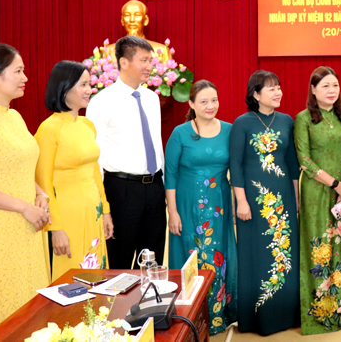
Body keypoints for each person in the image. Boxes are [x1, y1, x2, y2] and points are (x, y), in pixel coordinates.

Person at [0, 43, 50, 339]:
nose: (25, 77)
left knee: (29, 305)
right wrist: (24, 207)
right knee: (4, 311)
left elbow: (20, 166)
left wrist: (40, 194)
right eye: (18, 71)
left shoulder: (14, 117)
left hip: (26, 227)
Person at [229, 70, 300, 335]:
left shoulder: (286, 121)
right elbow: (235, 165)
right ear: (256, 94)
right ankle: (256, 318)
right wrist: (241, 202)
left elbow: (292, 164)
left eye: (279, 87)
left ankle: (285, 314)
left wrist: (295, 199)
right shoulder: (242, 123)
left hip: (282, 198)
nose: (278, 92)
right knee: (255, 255)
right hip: (253, 200)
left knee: (283, 254)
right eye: (271, 88)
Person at [86, 35, 166, 268]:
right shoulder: (102, 102)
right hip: (121, 190)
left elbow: (157, 146)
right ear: (123, 62)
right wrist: (104, 207)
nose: (150, 66)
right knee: (118, 262)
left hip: (154, 188)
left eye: (151, 61)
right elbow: (95, 155)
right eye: (144, 60)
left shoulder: (151, 99)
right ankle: (116, 306)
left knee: (152, 261)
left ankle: (149, 303)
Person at [165, 80, 237, 334]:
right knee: (190, 257)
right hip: (186, 206)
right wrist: (172, 211)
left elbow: (236, 170)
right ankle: (190, 318)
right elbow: (170, 175)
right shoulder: (180, 133)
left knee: (218, 257)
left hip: (219, 206)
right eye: (204, 101)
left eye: (214, 100)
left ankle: (217, 316)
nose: (210, 106)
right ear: (191, 104)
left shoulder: (230, 130)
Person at [293, 66, 341, 334]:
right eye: (325, 86)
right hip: (316, 192)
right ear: (313, 90)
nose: (331, 91)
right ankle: (320, 312)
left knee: (339, 246)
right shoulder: (304, 119)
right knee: (318, 247)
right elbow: (305, 161)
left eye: (335, 85)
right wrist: (336, 184)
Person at [35, 61, 114, 281]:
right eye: (83, 85)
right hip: (66, 215)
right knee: (71, 281)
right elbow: (43, 183)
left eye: (90, 84)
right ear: (64, 88)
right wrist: (55, 228)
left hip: (93, 211)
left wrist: (106, 211)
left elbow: (95, 172)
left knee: (97, 275)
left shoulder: (87, 125)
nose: (89, 90)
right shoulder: (49, 129)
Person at [103, 0, 171, 62]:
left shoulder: (161, 51)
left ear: (145, 20)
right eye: (127, 15)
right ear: (122, 21)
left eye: (137, 15)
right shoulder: (109, 51)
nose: (132, 20)